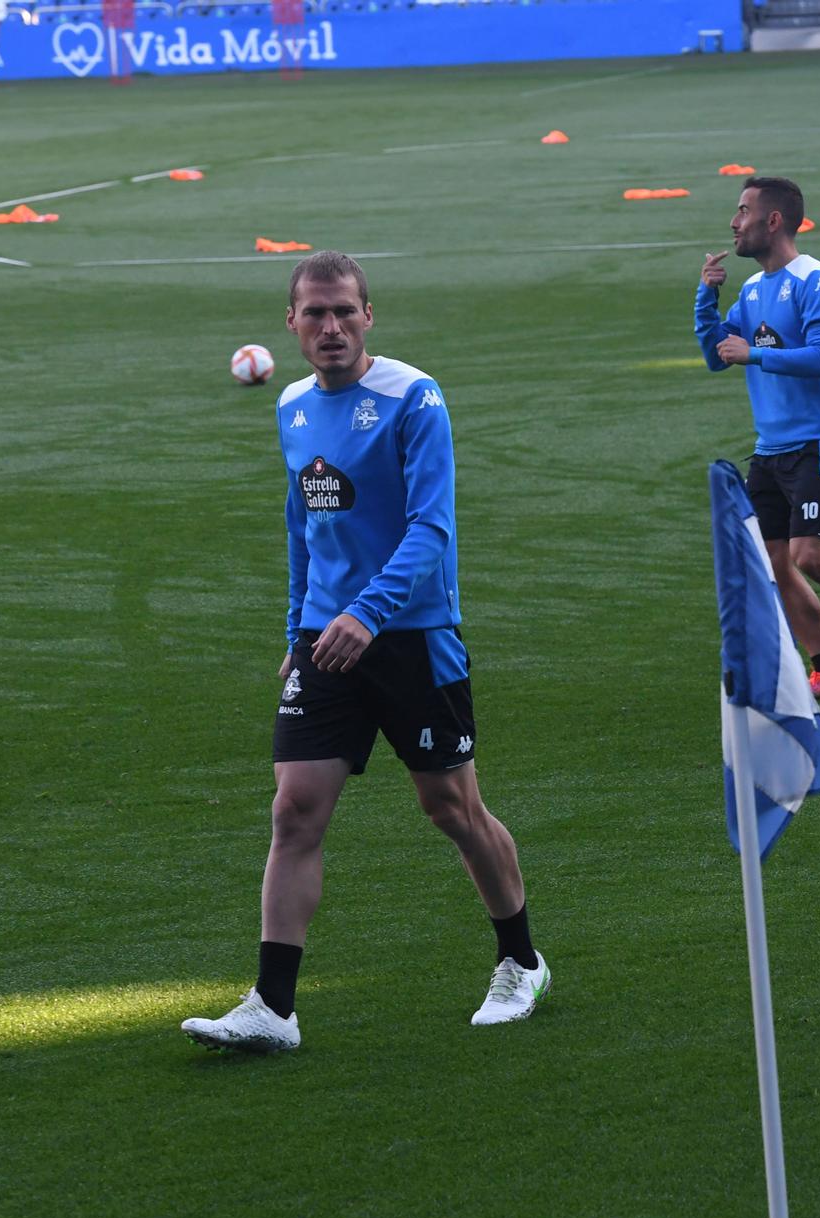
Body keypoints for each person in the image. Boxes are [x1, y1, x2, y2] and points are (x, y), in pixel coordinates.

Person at [183, 251, 549, 1053]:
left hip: (413, 635)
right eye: (314, 313)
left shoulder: (415, 397)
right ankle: (273, 1005)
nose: (331, 326)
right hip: (326, 638)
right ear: (292, 323)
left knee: (452, 809)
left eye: (345, 310)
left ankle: (521, 960)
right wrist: (298, 630)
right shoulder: (290, 406)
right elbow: (301, 527)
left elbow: (432, 527)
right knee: (294, 811)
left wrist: (368, 614)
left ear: (369, 315)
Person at [694, 176, 820, 699]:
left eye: (743, 211)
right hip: (770, 449)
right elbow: (718, 355)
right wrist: (706, 299)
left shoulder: (816, 281)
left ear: (774, 221)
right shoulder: (752, 289)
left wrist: (757, 354)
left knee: (812, 557)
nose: (733, 222)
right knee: (775, 564)